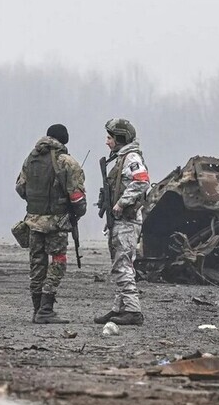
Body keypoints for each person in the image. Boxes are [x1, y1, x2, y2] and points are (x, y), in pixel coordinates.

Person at [15, 124, 86, 324]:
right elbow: (78, 197)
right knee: (58, 262)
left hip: (33, 221)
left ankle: (37, 309)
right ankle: (46, 308)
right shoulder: (67, 162)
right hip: (56, 222)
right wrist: (76, 213)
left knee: (37, 264)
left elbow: (20, 188)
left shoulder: (31, 159)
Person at [94, 118, 150, 326]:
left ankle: (133, 310)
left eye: (110, 138)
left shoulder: (131, 157)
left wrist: (121, 202)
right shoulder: (121, 158)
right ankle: (120, 308)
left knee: (123, 264)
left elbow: (142, 181)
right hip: (121, 221)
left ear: (120, 138)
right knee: (120, 264)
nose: (107, 142)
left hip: (127, 220)